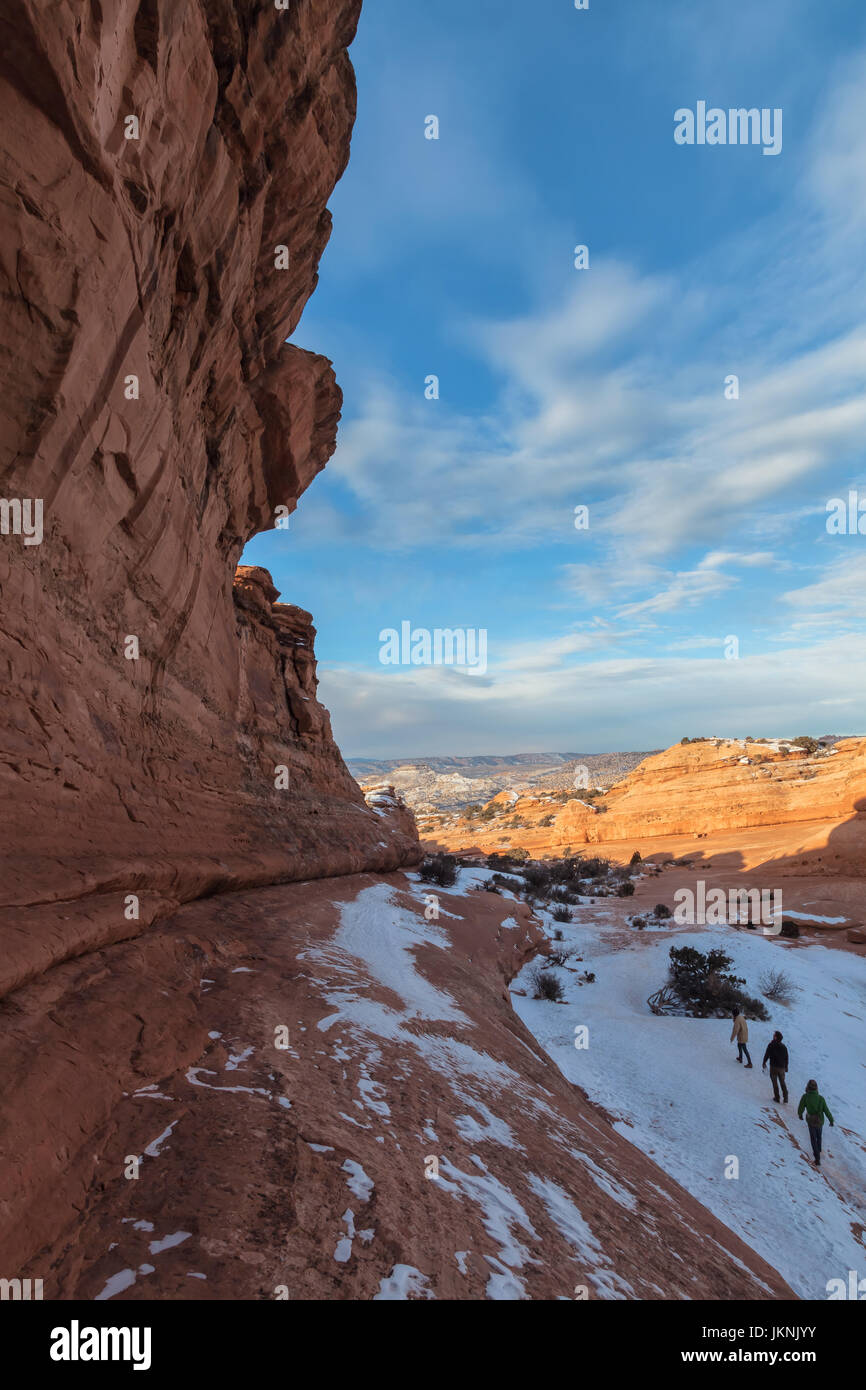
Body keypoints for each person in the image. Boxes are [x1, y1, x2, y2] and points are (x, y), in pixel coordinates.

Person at [797, 1079, 834, 1167]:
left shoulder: (805, 1097)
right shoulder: (821, 1098)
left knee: (813, 1138)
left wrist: (800, 1115)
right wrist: (831, 1120)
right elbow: (826, 1110)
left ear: (807, 1087)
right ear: (816, 1088)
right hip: (820, 1121)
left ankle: (817, 1158)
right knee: (819, 1136)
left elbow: (801, 1107)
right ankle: (819, 1149)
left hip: (811, 1121)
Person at [762, 1030, 789, 1102]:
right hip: (782, 1068)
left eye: (774, 1035)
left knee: (775, 1083)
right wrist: (786, 1067)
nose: (773, 1036)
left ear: (776, 1037)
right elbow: (786, 1057)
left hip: (773, 1067)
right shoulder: (784, 1047)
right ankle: (785, 1097)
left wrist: (764, 1062)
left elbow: (767, 1054)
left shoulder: (771, 1045)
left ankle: (777, 1098)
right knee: (782, 1082)